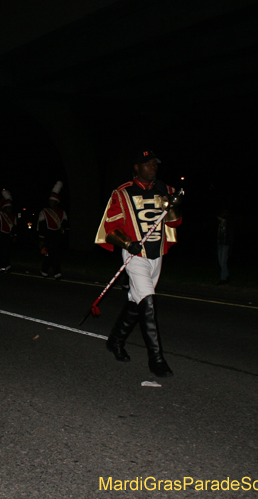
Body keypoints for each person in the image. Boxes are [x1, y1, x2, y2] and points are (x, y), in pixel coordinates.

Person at [95, 148, 182, 378]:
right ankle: (156, 359)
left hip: (157, 256)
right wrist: (127, 243)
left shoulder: (165, 189)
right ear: (136, 167)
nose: (153, 167)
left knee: (137, 302)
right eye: (148, 164)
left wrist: (170, 202)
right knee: (149, 303)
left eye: (155, 163)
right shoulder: (122, 193)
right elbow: (110, 229)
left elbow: (175, 223)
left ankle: (115, 341)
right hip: (135, 257)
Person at [37, 181, 69, 280]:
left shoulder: (62, 212)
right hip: (47, 235)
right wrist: (41, 239)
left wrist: (64, 235)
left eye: (53, 201)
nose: (51, 203)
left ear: (57, 202)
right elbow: (41, 226)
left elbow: (65, 225)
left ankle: (44, 270)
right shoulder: (44, 211)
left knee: (51, 254)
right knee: (52, 254)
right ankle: (57, 273)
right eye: (50, 201)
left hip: (57, 235)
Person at [216, 209, 234, 285]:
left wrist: (230, 245)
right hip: (220, 244)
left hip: (225, 245)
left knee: (223, 262)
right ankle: (226, 277)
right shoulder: (221, 224)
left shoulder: (228, 224)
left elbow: (230, 235)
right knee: (221, 262)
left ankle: (223, 279)